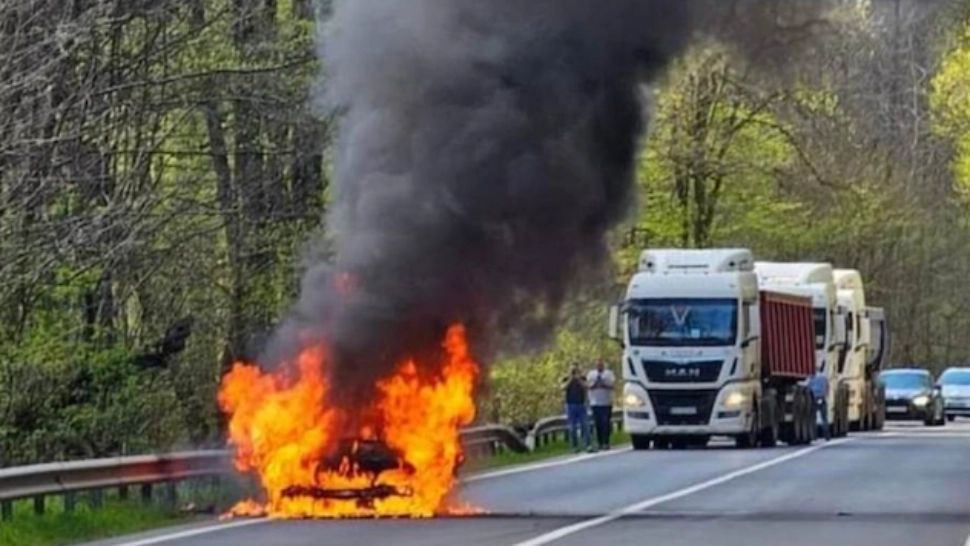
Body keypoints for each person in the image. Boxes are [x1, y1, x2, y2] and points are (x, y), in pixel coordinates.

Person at [586, 358, 616, 451]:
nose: (599, 367)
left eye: (601, 365)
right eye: (598, 365)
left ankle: (606, 442)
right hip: (595, 403)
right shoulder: (591, 374)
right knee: (598, 424)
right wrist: (595, 384)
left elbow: (612, 385)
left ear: (604, 366)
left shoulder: (609, 374)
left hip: (606, 403)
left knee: (605, 423)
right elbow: (588, 386)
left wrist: (603, 383)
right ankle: (600, 443)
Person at [561, 364, 591, 453]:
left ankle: (587, 445)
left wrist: (578, 379)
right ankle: (574, 446)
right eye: (572, 370)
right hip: (570, 405)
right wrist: (571, 379)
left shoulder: (582, 378)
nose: (574, 372)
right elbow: (563, 387)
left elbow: (586, 386)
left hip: (581, 404)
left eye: (576, 370)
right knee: (572, 427)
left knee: (585, 426)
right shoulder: (566, 379)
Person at [809, 367, 831, 441]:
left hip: (814, 398)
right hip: (822, 397)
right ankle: (827, 435)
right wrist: (826, 395)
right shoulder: (824, 377)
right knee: (824, 418)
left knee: (813, 418)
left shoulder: (811, 377)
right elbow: (827, 387)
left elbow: (809, 387)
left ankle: (814, 436)